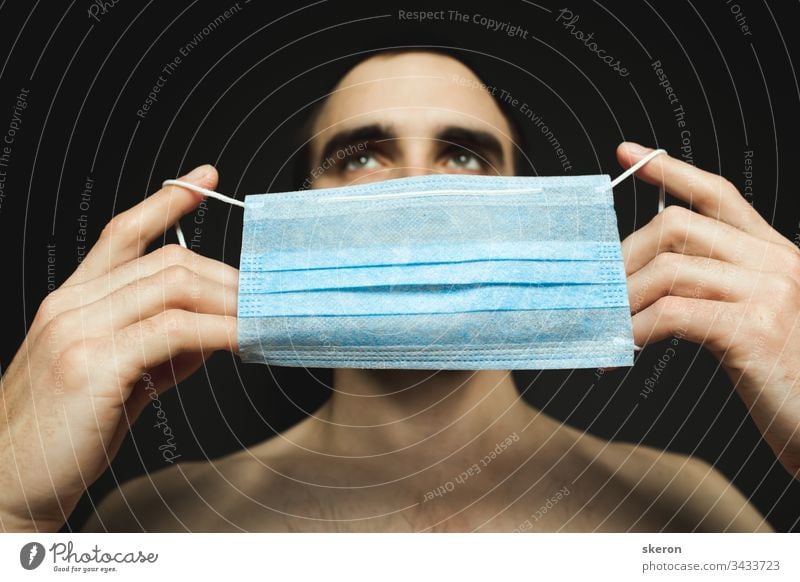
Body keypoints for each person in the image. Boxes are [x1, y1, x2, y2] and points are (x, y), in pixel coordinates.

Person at [2, 49, 797, 533]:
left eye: (464, 157)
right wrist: (10, 508)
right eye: (361, 156)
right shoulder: (151, 524)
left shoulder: (692, 512)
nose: (420, 191)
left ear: (531, 208)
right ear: (297, 210)